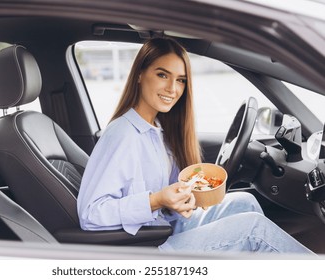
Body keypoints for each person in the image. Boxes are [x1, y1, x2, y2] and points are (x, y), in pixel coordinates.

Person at [77, 37, 313, 254]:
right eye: (162, 75)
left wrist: (181, 197)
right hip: (146, 248)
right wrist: (156, 200)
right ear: (139, 74)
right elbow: (90, 215)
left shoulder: (156, 128)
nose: (173, 89)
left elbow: (163, 193)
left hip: (163, 226)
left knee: (246, 201)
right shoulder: (122, 134)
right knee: (254, 229)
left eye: (180, 80)